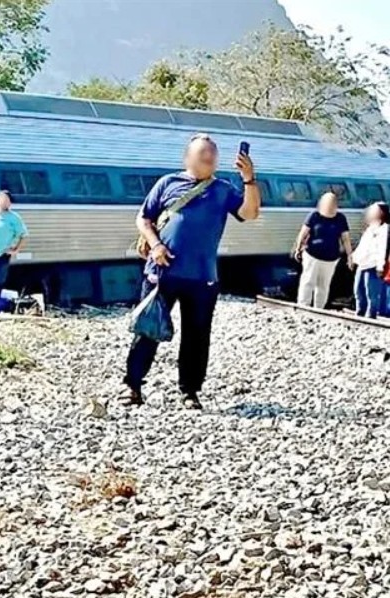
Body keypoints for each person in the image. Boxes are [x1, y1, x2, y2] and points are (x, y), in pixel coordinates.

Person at [122, 134, 261, 410]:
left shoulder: (223, 189)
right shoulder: (167, 183)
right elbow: (144, 218)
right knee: (147, 329)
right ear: (187, 157)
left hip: (202, 276)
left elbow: (249, 213)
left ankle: (190, 391)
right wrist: (156, 245)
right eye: (203, 152)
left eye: (213, 153)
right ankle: (132, 386)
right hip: (161, 272)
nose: (209, 157)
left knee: (197, 335)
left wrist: (249, 180)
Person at [293, 192, 352, 309]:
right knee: (308, 281)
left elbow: (345, 238)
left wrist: (350, 255)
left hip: (331, 258)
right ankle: (303, 305)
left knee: (324, 285)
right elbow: (303, 233)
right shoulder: (314, 215)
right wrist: (298, 248)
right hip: (312, 254)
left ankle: (319, 308)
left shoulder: (340, 218)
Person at [352, 202, 390, 318]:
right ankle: (360, 312)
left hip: (373, 265)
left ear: (381, 213)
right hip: (362, 263)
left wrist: (380, 266)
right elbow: (363, 245)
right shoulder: (370, 228)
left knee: (371, 292)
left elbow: (383, 248)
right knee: (358, 290)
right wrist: (354, 258)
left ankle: (371, 314)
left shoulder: (385, 229)